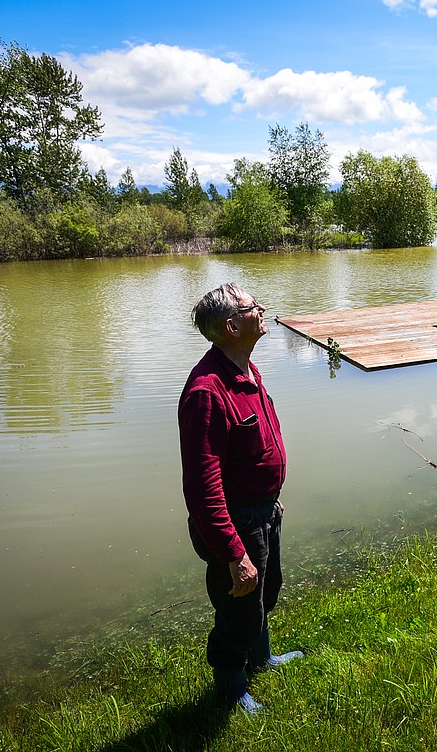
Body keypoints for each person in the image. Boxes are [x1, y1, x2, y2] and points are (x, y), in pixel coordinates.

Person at [178, 283, 302, 714]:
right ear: (232, 326)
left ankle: (262, 658)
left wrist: (271, 498)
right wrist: (233, 552)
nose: (262, 308)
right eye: (253, 307)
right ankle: (231, 688)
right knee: (239, 609)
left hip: (263, 510)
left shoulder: (246, 370)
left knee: (266, 592)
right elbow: (202, 486)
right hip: (235, 521)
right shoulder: (206, 393)